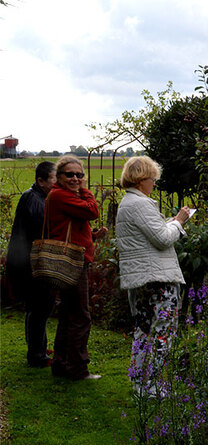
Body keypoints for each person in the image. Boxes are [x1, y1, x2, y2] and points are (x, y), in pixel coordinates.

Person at [115, 156, 190, 396]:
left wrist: (169, 223)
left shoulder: (127, 203)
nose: (154, 183)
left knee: (143, 330)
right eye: (152, 179)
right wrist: (178, 222)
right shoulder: (142, 204)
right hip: (157, 279)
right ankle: (154, 386)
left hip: (141, 279)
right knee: (163, 332)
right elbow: (163, 239)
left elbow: (150, 235)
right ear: (141, 179)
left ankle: (139, 383)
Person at [46, 154, 107, 380]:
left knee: (68, 314)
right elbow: (92, 211)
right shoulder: (62, 195)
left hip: (70, 258)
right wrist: (85, 189)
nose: (74, 179)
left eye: (79, 175)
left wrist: (91, 235)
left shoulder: (59, 196)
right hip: (73, 261)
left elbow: (67, 227)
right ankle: (78, 368)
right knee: (81, 315)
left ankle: (61, 364)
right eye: (69, 174)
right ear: (59, 177)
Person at [6, 161, 57, 368]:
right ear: (41, 181)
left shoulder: (35, 196)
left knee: (38, 307)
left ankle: (38, 348)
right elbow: (43, 229)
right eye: (54, 178)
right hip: (30, 263)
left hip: (26, 260)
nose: (58, 182)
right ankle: (37, 355)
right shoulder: (35, 199)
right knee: (40, 307)